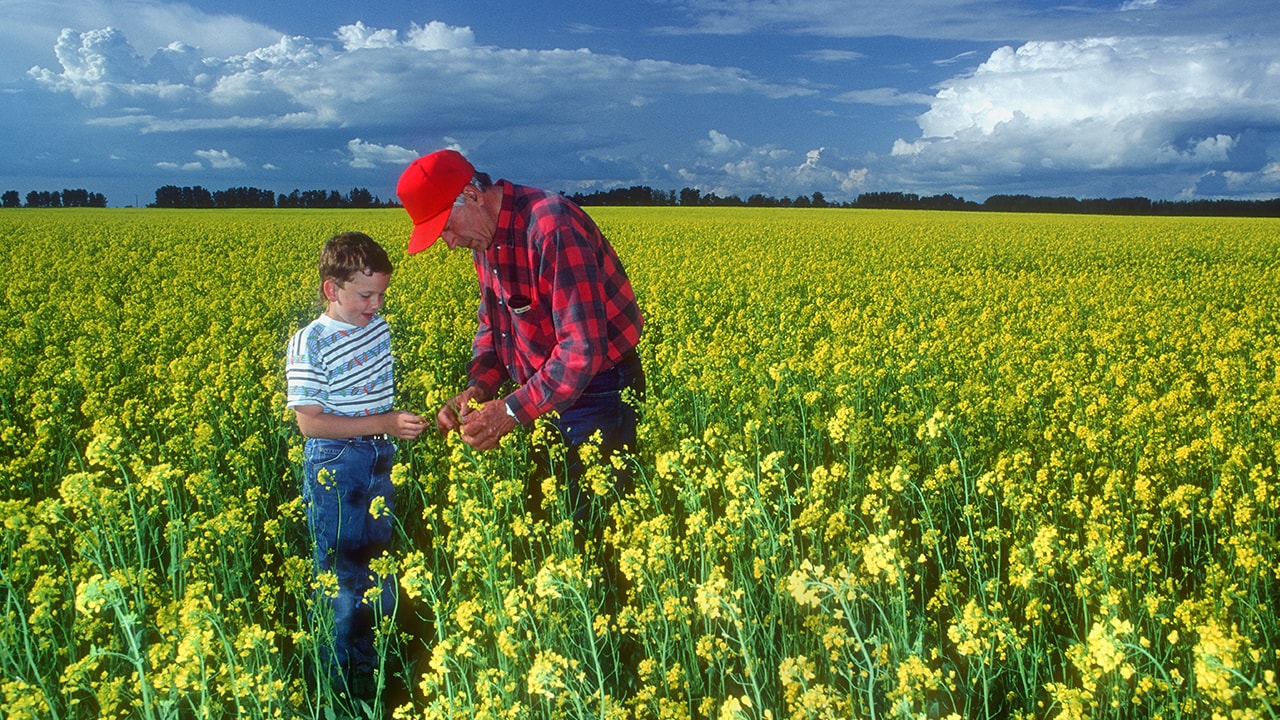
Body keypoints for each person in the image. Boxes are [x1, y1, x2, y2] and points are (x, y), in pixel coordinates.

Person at [395, 149, 645, 527]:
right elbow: (495, 329)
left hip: (598, 387)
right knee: (553, 519)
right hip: (544, 388)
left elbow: (582, 348)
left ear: (473, 195)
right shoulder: (486, 239)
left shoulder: (550, 227)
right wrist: (476, 391)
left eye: (445, 226)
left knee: (592, 523)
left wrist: (510, 411)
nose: (448, 242)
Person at [284, 231, 427, 700]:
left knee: (379, 562)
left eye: (382, 294)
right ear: (332, 289)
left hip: (379, 454)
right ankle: (338, 677)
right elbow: (310, 425)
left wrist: (398, 423)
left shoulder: (377, 328)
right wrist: (385, 419)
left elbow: (372, 393)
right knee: (342, 571)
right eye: (366, 295)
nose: (376, 304)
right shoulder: (310, 342)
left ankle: (375, 663)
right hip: (336, 462)